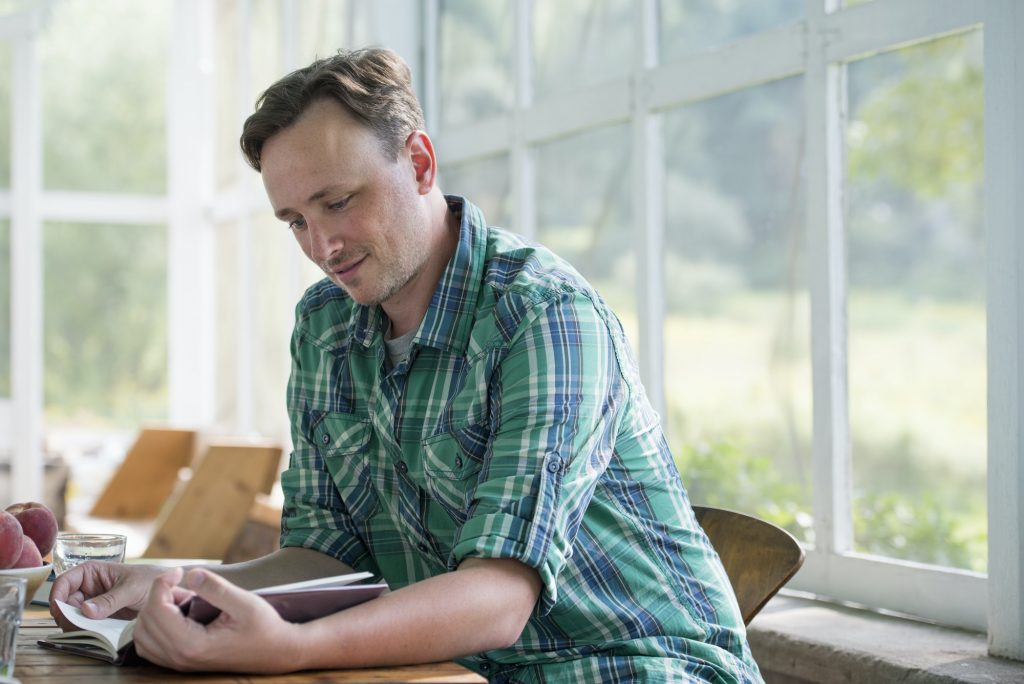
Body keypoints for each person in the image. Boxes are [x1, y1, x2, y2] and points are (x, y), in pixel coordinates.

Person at [51, 47, 764, 683]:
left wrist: (291, 649)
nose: (322, 245)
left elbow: (499, 600)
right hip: (456, 670)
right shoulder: (325, 328)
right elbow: (328, 558)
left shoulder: (545, 318)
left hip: (633, 667)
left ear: (419, 163)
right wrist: (182, 584)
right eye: (296, 220)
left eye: (338, 202)